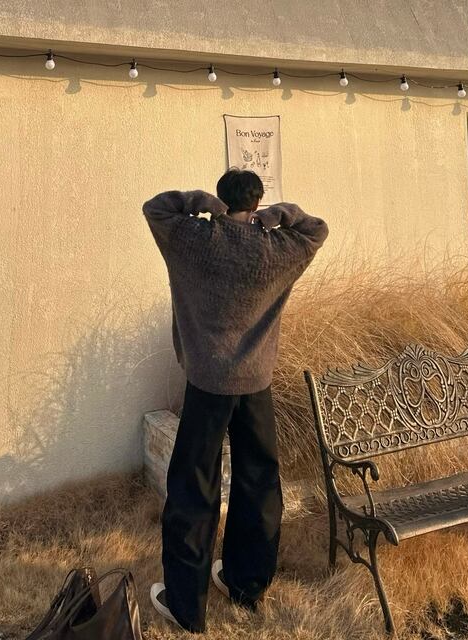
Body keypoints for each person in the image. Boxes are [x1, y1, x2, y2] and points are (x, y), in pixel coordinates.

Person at [141, 168, 329, 633]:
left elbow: (156, 207)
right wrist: (280, 214)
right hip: (256, 385)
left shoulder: (191, 238)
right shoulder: (277, 249)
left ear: (221, 199)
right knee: (259, 484)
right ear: (258, 201)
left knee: (193, 489)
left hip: (207, 385)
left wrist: (200, 201)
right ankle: (247, 585)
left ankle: (186, 605)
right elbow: (316, 229)